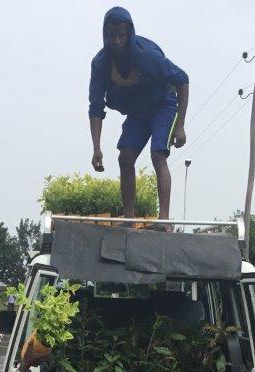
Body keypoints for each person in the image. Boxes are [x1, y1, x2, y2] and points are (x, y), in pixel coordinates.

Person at [88, 6, 189, 221]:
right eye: (111, 35)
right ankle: (129, 219)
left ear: (129, 33)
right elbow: (96, 107)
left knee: (157, 154)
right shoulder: (100, 64)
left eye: (121, 36)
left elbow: (182, 80)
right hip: (137, 112)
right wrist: (96, 148)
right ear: (104, 34)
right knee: (125, 158)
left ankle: (164, 219)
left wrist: (180, 125)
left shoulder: (146, 55)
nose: (116, 41)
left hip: (164, 103)